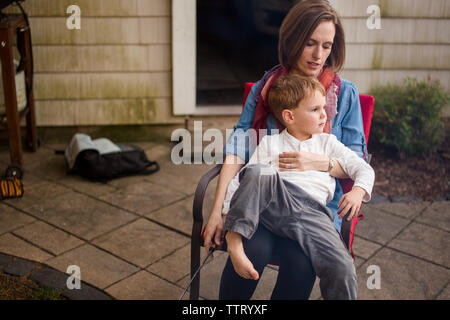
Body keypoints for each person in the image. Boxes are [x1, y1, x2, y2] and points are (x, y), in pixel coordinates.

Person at [203, 0, 369, 300]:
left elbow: (357, 161)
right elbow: (241, 148)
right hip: (265, 202)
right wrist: (218, 211)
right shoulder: (267, 88)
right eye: (310, 43)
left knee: (302, 262)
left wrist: (319, 162)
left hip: (315, 208)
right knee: (255, 246)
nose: (319, 55)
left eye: (327, 45)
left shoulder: (344, 95)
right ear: (293, 40)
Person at [222, 74, 375, 300]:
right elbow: (240, 184)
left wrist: (358, 192)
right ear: (289, 116)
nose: (325, 114)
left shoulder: (328, 143)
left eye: (324, 107)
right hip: (273, 204)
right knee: (256, 172)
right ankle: (233, 242)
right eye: (315, 109)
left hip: (312, 213)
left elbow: (364, 169)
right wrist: (225, 212)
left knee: (343, 267)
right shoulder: (270, 143)